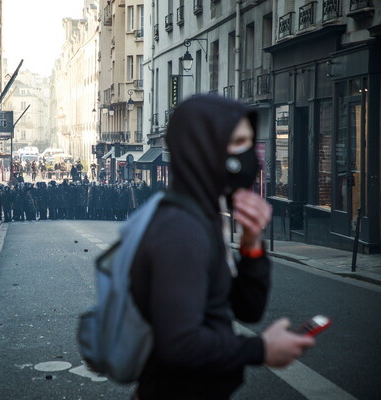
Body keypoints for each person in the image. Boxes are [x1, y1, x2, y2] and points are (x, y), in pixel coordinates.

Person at [130, 95, 315, 400]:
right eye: (239, 143)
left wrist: (252, 244)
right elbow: (179, 345)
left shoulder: (203, 216)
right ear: (206, 149)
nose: (248, 156)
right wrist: (263, 348)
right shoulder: (181, 228)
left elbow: (246, 308)